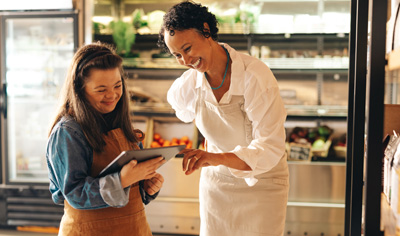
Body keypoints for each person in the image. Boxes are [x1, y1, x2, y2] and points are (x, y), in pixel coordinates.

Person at [158, 1, 289, 236]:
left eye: (187, 49)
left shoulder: (254, 76)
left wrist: (214, 156)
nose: (186, 61)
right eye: (177, 55)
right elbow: (182, 111)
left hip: (263, 185)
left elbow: (271, 147)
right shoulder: (189, 85)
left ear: (206, 30)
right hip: (217, 187)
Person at [46, 42, 166, 236]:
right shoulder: (68, 131)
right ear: (79, 89)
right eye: (101, 89)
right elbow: (74, 193)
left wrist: (146, 186)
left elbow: (131, 192)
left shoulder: (120, 121)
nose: (112, 95)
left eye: (117, 85)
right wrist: (122, 180)